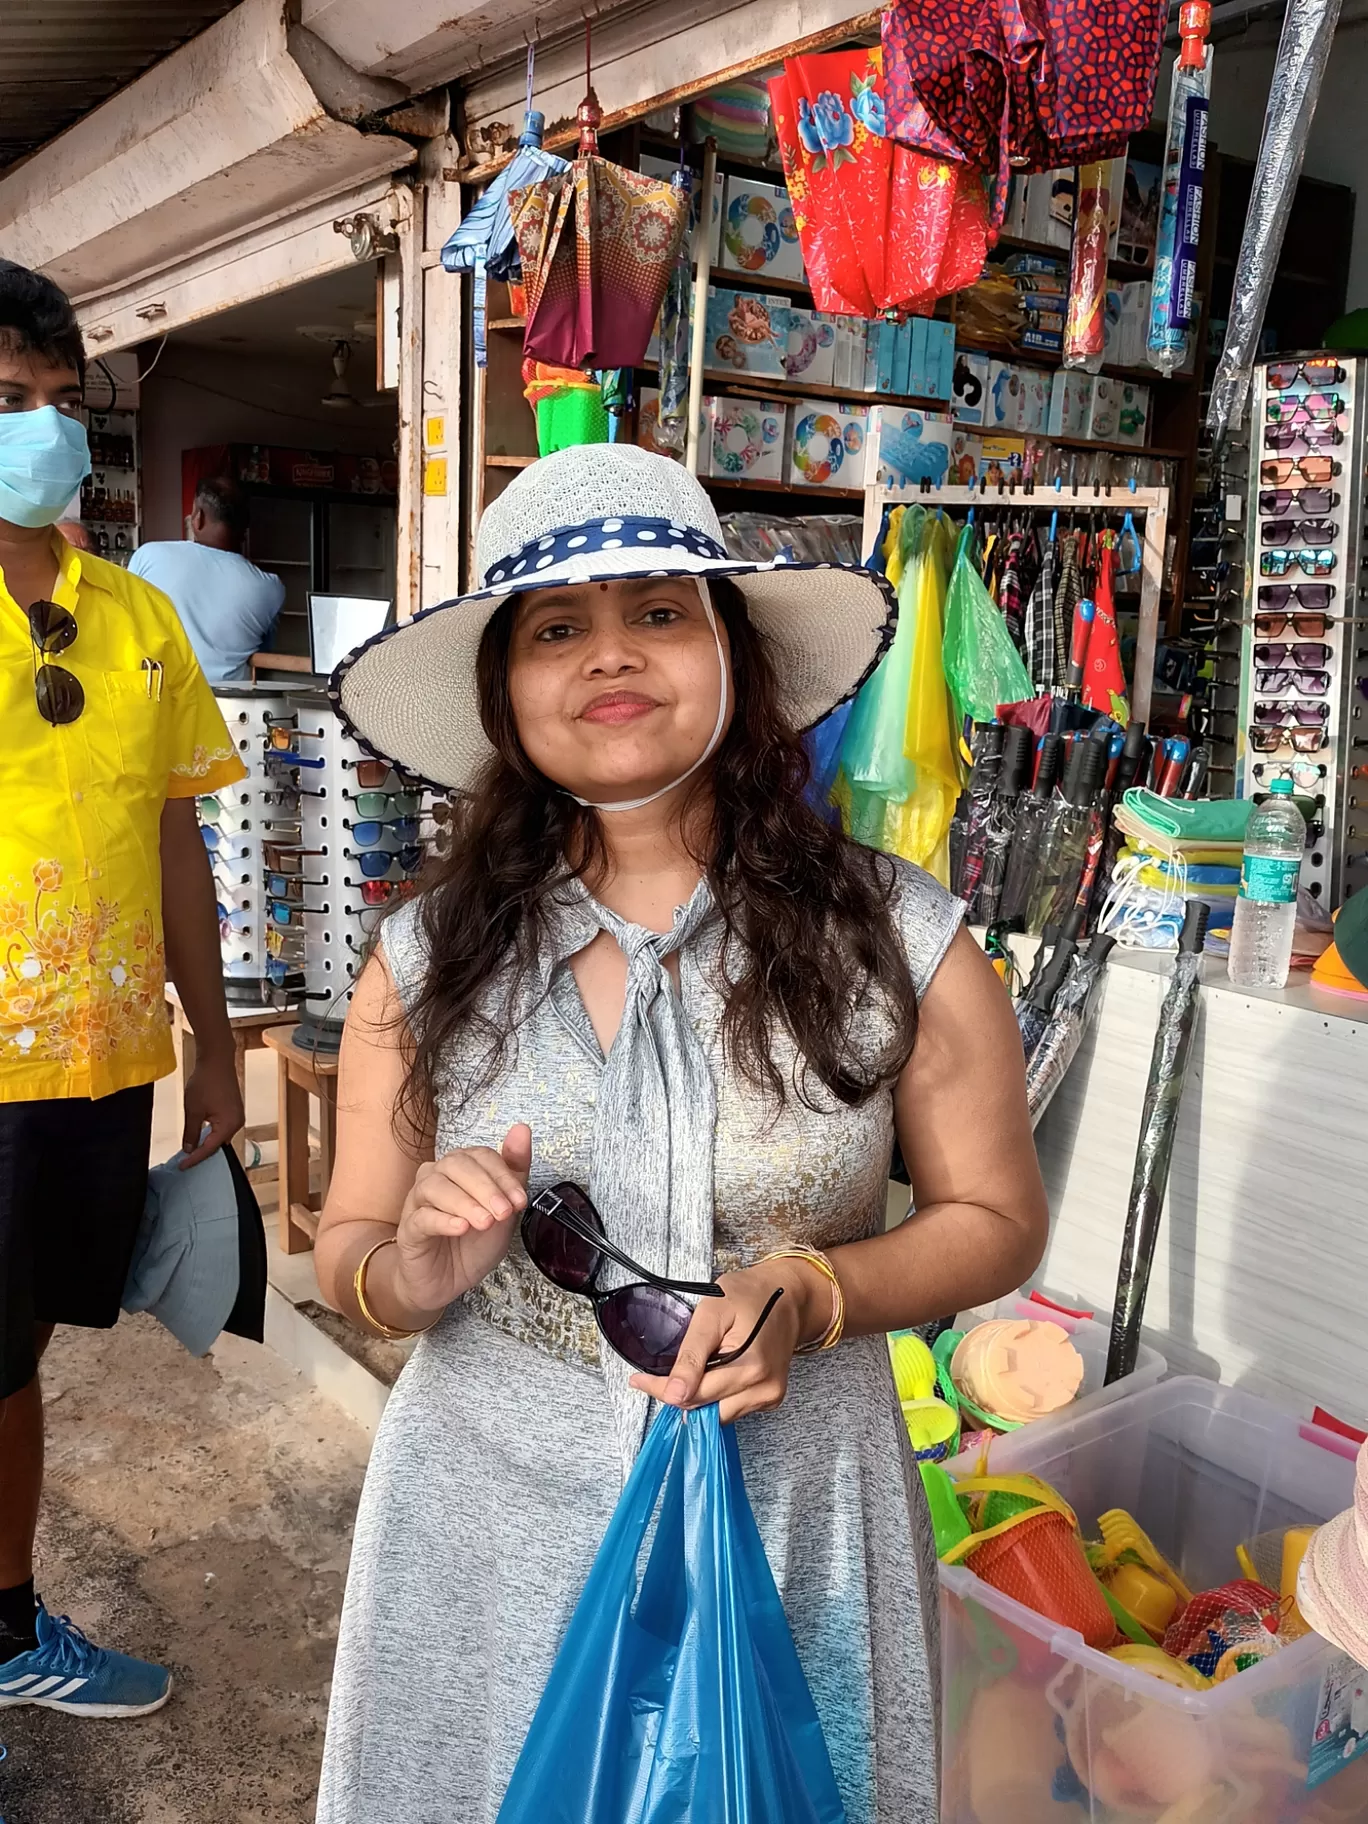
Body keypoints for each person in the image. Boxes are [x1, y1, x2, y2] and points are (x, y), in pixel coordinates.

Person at [312, 445, 1047, 1824]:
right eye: (557, 630)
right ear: (507, 691)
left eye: (659, 612)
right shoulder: (422, 961)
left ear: (733, 653)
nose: (611, 660)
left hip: (792, 1517)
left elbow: (998, 1220)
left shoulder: (903, 939)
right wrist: (409, 1271)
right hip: (489, 1513)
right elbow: (350, 1247)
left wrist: (821, 1290)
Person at [0, 260, 248, 1715]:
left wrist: (212, 1049)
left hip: (98, 1068)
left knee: (15, 1351)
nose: (33, 428)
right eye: (1, 401)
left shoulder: (139, 622)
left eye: (49, 401)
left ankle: (10, 1630)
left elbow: (176, 847)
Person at [129, 475, 284, 681]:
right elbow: (265, 652)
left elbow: (123, 624)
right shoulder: (269, 587)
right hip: (228, 709)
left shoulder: (149, 556)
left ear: (198, 517)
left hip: (158, 700)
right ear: (244, 527)